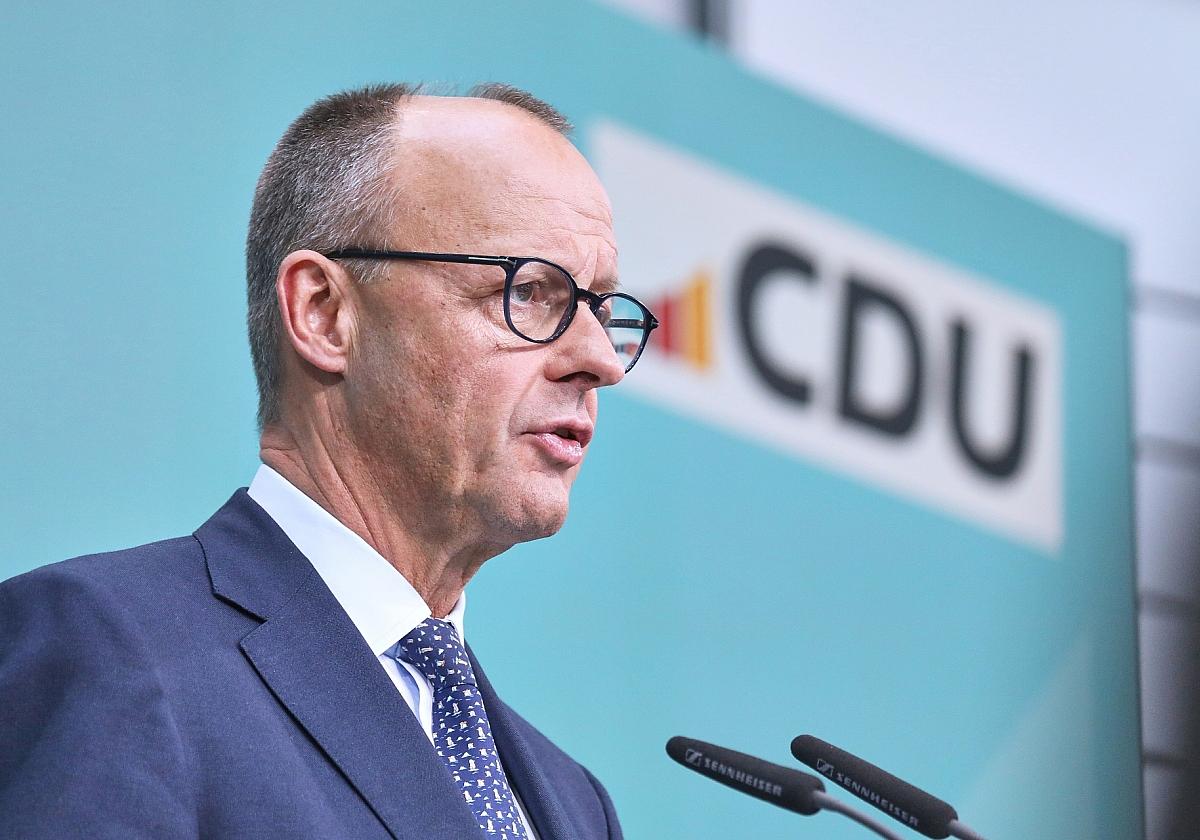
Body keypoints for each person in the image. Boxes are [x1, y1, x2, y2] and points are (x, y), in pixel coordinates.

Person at [0, 82, 657, 839]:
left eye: (601, 308)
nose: (599, 360)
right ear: (324, 314)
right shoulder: (113, 649)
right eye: (532, 291)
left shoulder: (575, 805)